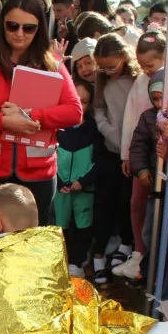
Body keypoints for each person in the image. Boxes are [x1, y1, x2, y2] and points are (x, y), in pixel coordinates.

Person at [0, 0, 82, 227]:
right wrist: (3, 122)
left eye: (29, 28)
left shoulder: (51, 63)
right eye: (12, 26)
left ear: (39, 28)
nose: (19, 34)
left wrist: (29, 116)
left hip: (38, 176)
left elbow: (74, 112)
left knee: (29, 251)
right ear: (2, 24)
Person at [114, 30, 166, 279]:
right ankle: (138, 252)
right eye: (142, 65)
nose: (146, 69)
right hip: (140, 154)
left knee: (157, 206)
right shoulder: (140, 82)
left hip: (163, 155)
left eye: (151, 65)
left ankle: (154, 255)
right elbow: (130, 119)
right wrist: (127, 155)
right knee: (137, 202)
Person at [91, 32, 142, 284]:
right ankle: (99, 254)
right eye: (103, 67)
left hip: (132, 152)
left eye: (112, 66)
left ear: (124, 57)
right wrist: (107, 130)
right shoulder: (103, 81)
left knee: (126, 203)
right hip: (110, 151)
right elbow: (99, 109)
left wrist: (127, 144)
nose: (108, 71)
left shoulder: (137, 80)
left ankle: (125, 244)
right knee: (105, 204)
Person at [122, 68, 165, 281]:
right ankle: (145, 270)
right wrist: (142, 170)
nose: (158, 104)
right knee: (148, 228)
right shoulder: (148, 118)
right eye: (154, 99)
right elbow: (137, 146)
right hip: (153, 185)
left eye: (162, 99)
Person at [56, 81, 100, 278]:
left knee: (84, 225)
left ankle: (78, 261)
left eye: (84, 102)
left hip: (84, 188)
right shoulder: (56, 126)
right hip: (60, 189)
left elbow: (100, 162)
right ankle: (61, 260)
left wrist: (84, 180)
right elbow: (47, 156)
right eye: (76, 101)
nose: (80, 106)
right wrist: (58, 181)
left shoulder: (94, 130)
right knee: (60, 226)